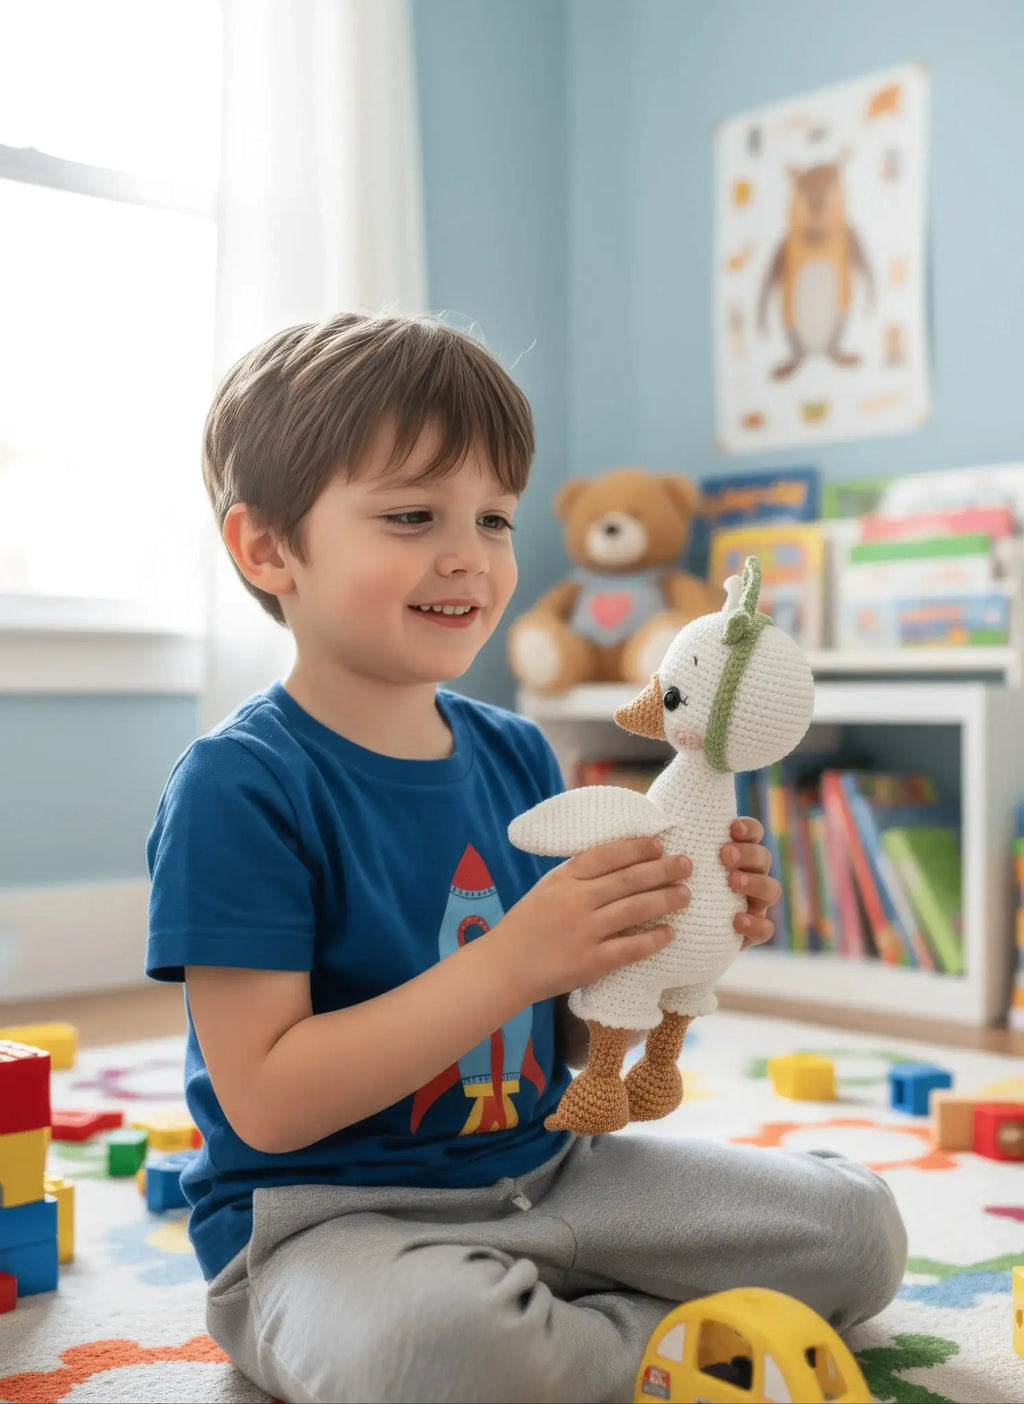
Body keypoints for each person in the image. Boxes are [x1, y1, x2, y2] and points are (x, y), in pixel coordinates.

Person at [146, 311, 906, 1404]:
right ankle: (627, 1341)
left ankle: (569, 1329)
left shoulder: (512, 750)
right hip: (331, 1221)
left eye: (493, 518)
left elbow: (558, 1034)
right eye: (411, 515)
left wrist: (665, 933)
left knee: (858, 1230)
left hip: (549, 1171)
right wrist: (512, 959)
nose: (468, 556)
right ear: (267, 547)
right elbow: (266, 1101)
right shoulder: (239, 786)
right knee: (441, 1354)